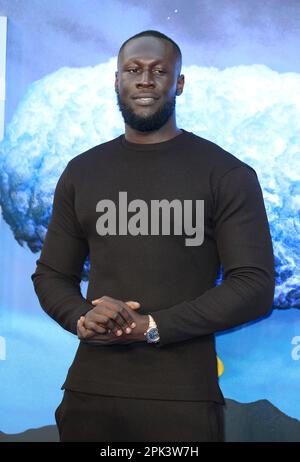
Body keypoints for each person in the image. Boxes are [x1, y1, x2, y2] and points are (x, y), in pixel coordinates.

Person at [31, 30, 275, 442]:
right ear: (117, 80)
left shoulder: (227, 174)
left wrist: (153, 326)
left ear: (178, 83)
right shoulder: (82, 171)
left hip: (183, 400)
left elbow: (254, 285)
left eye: (159, 71)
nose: (145, 79)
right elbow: (51, 275)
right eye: (133, 70)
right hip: (90, 397)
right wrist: (80, 317)